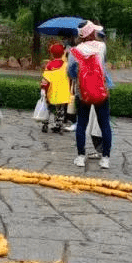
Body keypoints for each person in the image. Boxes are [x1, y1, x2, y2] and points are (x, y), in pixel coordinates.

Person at [68, 21, 112, 169]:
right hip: (100, 90)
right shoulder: (102, 47)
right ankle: (105, 158)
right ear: (92, 33)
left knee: (81, 124)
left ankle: (80, 156)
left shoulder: (75, 51)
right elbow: (103, 65)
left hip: (83, 92)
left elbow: (71, 72)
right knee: (104, 124)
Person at [40, 43, 71, 134]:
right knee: (60, 110)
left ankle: (45, 125)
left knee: (48, 109)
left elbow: (45, 80)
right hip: (62, 93)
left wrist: (43, 88)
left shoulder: (50, 65)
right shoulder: (66, 65)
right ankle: (59, 125)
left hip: (51, 92)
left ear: (52, 54)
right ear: (63, 53)